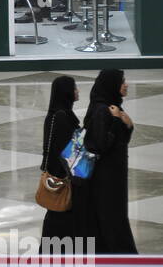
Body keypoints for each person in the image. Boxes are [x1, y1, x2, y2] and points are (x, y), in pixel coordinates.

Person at [83, 70, 136, 254]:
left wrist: (128, 125)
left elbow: (120, 141)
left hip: (115, 172)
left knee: (116, 213)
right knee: (112, 215)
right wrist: (115, 121)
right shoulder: (103, 110)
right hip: (107, 176)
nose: (126, 85)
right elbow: (100, 145)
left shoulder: (112, 107)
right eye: (122, 81)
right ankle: (121, 255)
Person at [39, 76, 88, 252]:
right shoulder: (62, 117)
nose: (77, 91)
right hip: (63, 181)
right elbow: (69, 152)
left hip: (59, 178)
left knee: (56, 220)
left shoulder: (59, 114)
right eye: (75, 88)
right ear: (67, 92)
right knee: (60, 220)